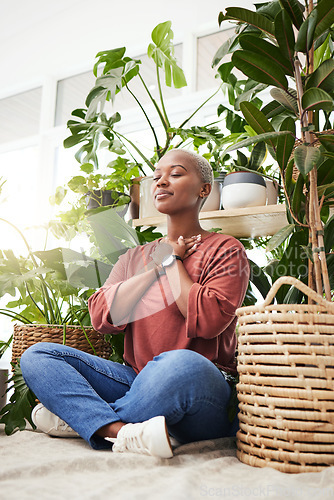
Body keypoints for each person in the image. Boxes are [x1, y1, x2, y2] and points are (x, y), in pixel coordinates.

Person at [21, 149, 250, 458]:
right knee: (38, 355)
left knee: (181, 364)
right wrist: (155, 267)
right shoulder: (133, 258)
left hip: (199, 388)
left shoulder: (225, 249)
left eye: (176, 174)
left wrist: (172, 263)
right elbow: (102, 316)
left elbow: (208, 321)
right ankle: (119, 432)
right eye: (156, 176)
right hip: (135, 381)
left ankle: (83, 420)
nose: (161, 182)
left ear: (204, 189)